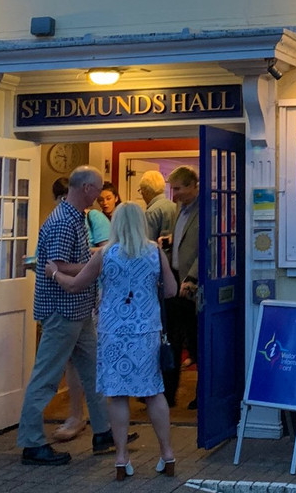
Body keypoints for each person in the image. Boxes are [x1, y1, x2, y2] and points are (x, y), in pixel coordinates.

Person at [48, 202, 178, 481]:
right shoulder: (155, 252)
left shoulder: (105, 254)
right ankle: (167, 454)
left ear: (116, 224)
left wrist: (54, 273)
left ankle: (121, 458)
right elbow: (170, 291)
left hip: (113, 332)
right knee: (154, 392)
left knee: (117, 394)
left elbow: (75, 285)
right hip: (146, 332)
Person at [17, 166, 120, 466]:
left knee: (94, 373)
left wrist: (89, 260)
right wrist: (98, 263)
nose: (101, 194)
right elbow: (57, 266)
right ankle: (31, 442)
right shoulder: (64, 221)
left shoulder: (74, 216)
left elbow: (64, 263)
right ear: (87, 188)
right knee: (46, 377)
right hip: (62, 310)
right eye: (98, 188)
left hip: (77, 310)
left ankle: (103, 432)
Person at [163, 166, 199, 407]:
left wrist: (193, 278)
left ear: (192, 186)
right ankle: (168, 395)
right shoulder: (179, 208)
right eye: (172, 188)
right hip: (175, 279)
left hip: (192, 285)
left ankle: (203, 395)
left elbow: (210, 246)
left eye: (177, 188)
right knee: (172, 339)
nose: (173, 194)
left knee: (196, 341)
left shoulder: (207, 209)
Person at [138, 171, 176, 243]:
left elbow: (148, 244)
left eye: (141, 191)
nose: (142, 195)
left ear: (146, 191)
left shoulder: (151, 212)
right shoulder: (175, 207)